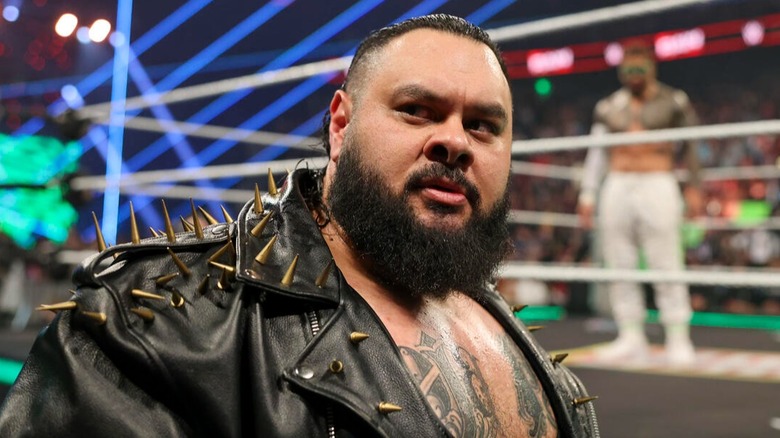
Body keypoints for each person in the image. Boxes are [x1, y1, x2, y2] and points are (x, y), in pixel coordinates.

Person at [0, 15, 598, 437]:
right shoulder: (157, 323)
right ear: (340, 124)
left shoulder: (509, 333)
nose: (454, 140)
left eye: (485, 125)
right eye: (417, 110)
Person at [577, 41, 701, 366]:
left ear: (651, 66)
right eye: (628, 67)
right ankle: (631, 335)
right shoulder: (608, 106)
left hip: (658, 180)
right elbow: (597, 152)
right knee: (620, 261)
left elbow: (690, 148)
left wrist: (694, 188)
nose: (633, 73)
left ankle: (677, 336)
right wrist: (588, 193)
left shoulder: (674, 101)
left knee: (666, 259)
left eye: (639, 66)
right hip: (617, 183)